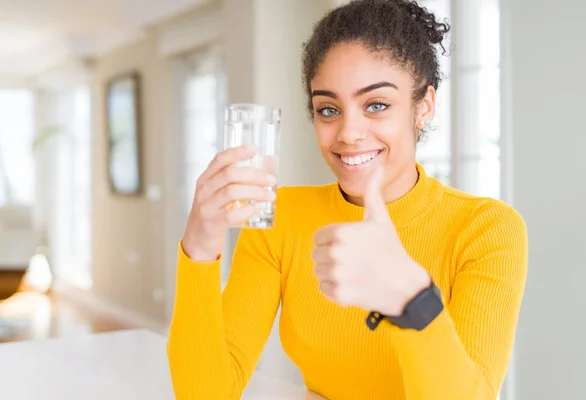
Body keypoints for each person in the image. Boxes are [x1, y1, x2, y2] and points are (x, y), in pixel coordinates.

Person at [166, 0, 528, 399]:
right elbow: (205, 393)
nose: (349, 133)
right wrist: (199, 248)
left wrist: (410, 298)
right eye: (328, 109)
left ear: (423, 106)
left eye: (376, 105)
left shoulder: (487, 230)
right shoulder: (281, 217)